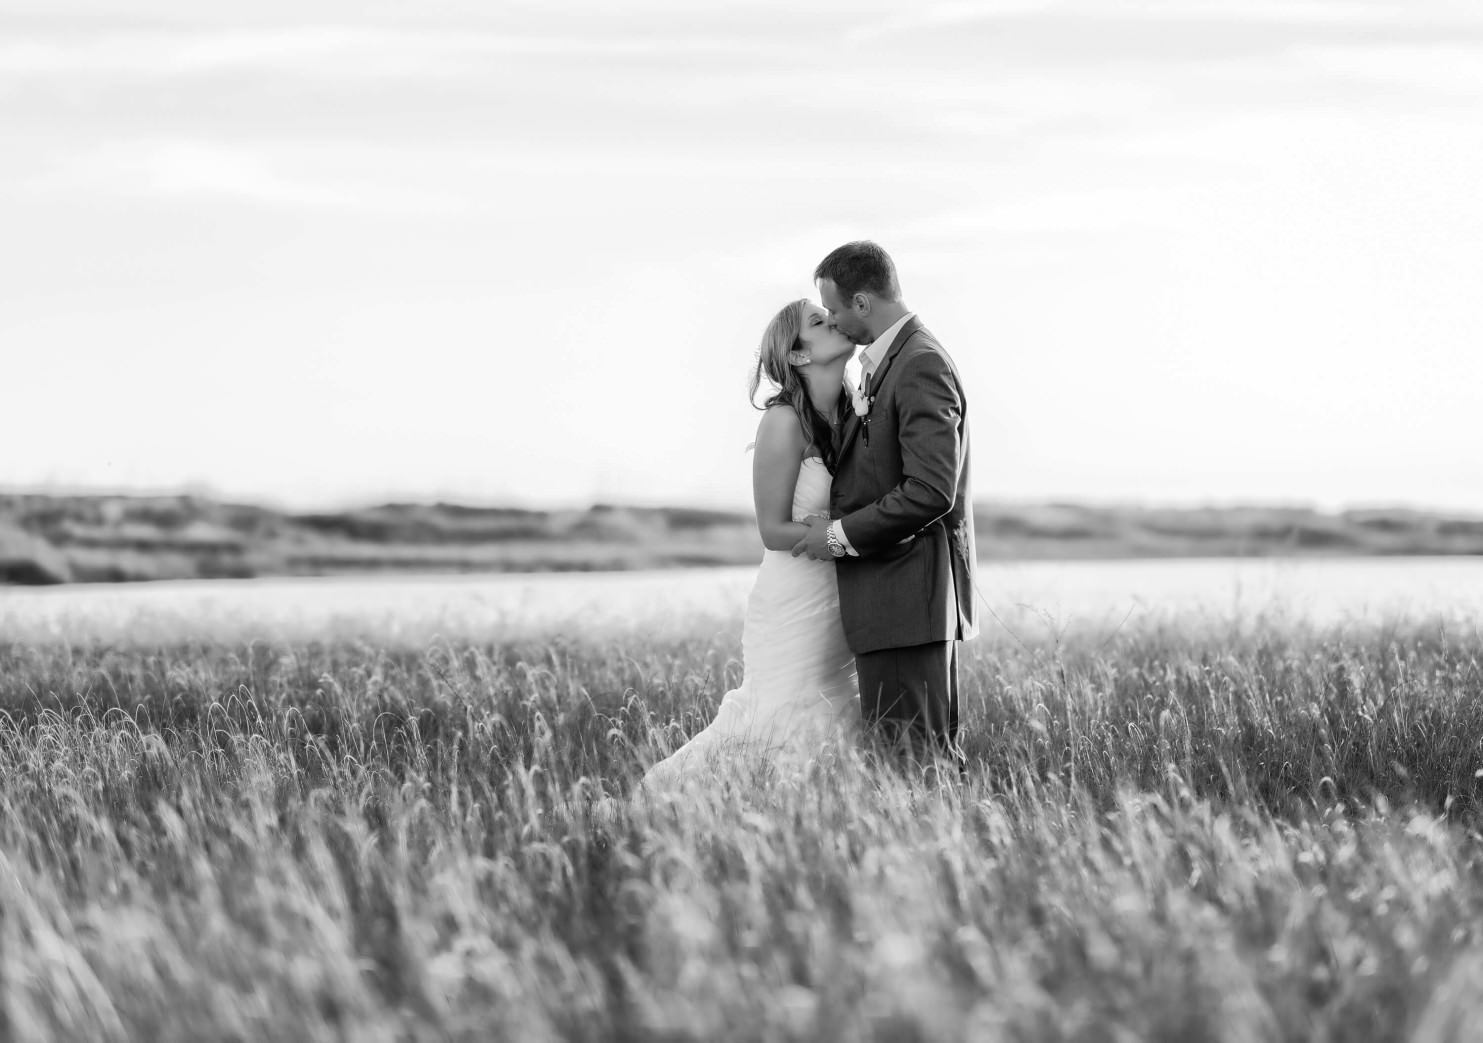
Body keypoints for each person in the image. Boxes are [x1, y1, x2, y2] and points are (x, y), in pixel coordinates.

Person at [634, 299, 861, 797]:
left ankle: (814, 814)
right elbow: (773, 530)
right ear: (799, 357)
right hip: (794, 600)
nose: (835, 321)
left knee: (836, 708)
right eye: (819, 323)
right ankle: (676, 801)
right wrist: (837, 534)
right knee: (784, 706)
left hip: (841, 596)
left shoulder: (852, 411)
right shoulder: (783, 422)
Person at [794, 241, 977, 772]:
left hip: (906, 596)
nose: (832, 321)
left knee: (912, 765)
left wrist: (835, 535)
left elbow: (929, 491)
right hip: (896, 600)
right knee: (919, 762)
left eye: (832, 309)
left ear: (862, 302)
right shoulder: (886, 362)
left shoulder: (919, 364)